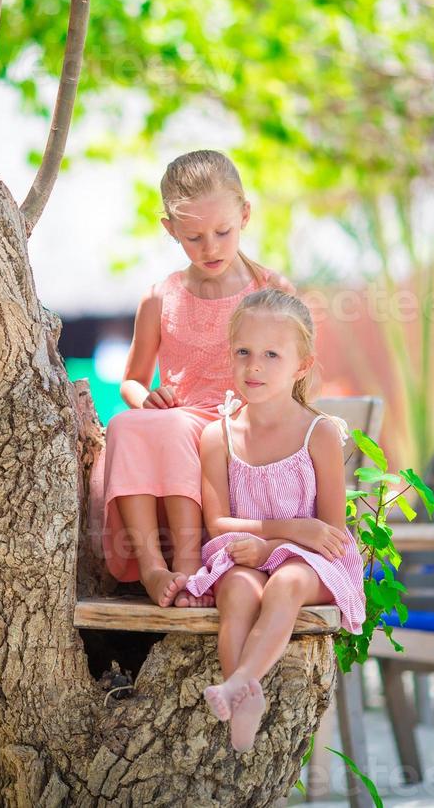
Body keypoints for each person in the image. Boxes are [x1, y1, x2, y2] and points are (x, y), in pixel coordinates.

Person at [96, 149, 292, 608]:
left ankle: (188, 563)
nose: (211, 248)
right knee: (126, 424)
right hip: (178, 417)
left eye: (223, 232)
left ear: (244, 214)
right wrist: (145, 398)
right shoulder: (160, 297)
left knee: (183, 428)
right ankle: (150, 565)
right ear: (170, 230)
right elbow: (132, 381)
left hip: (241, 423)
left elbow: (298, 375)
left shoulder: (270, 291)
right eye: (193, 237)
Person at [185, 288, 366, 752]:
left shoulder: (318, 433)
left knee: (284, 582)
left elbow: (330, 535)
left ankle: (238, 682)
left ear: (301, 365)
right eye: (243, 352)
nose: (254, 367)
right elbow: (218, 522)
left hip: (311, 564)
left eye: (271, 354)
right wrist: (275, 536)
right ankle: (245, 701)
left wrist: (280, 544)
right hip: (245, 554)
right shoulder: (217, 435)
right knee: (237, 589)